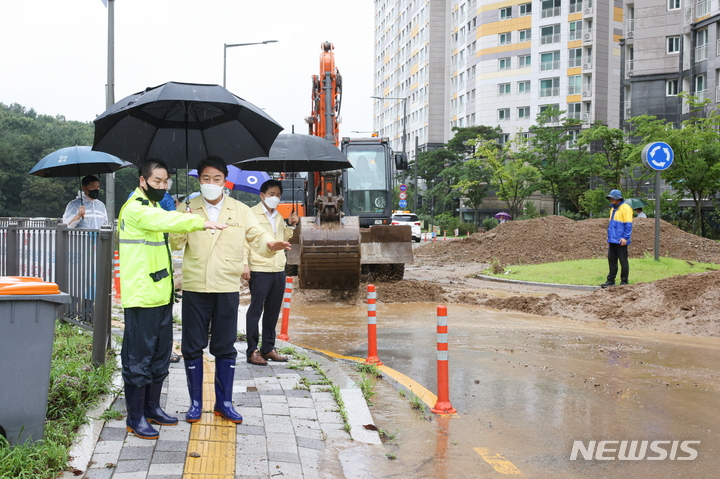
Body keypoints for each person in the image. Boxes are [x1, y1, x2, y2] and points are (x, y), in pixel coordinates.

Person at [169, 157, 291, 424]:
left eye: (216, 179)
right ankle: (195, 404)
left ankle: (224, 403)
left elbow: (257, 235)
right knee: (192, 347)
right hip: (195, 286)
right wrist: (182, 222)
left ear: (225, 182)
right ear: (199, 180)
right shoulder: (187, 207)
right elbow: (175, 243)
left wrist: (271, 243)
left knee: (224, 347)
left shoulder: (240, 210)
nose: (211, 184)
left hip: (226, 286)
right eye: (205, 179)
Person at [118, 159, 228, 440]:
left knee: (159, 356)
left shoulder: (155, 205)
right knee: (138, 359)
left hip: (161, 294)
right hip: (142, 297)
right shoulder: (135, 209)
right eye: (157, 181)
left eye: (165, 181)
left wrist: (183, 212)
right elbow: (165, 221)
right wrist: (199, 221)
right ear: (142, 181)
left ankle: (153, 408)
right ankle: (135, 417)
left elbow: (168, 222)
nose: (162, 186)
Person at [243, 179, 299, 366]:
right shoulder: (251, 214)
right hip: (260, 268)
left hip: (278, 268)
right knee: (255, 310)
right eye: (271, 194)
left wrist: (291, 225)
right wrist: (245, 265)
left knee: (273, 311)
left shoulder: (278, 215)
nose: (274, 198)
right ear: (262, 195)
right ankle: (252, 351)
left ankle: (268, 348)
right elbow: (245, 241)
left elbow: (283, 239)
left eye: (277, 195)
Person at [601, 189, 633, 288]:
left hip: (620, 240)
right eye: (610, 198)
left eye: (612, 198)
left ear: (618, 199)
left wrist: (625, 238)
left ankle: (624, 281)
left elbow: (628, 225)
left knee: (623, 260)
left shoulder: (626, 208)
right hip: (612, 239)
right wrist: (609, 236)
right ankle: (610, 280)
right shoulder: (613, 209)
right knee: (612, 260)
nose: (610, 199)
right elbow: (611, 224)